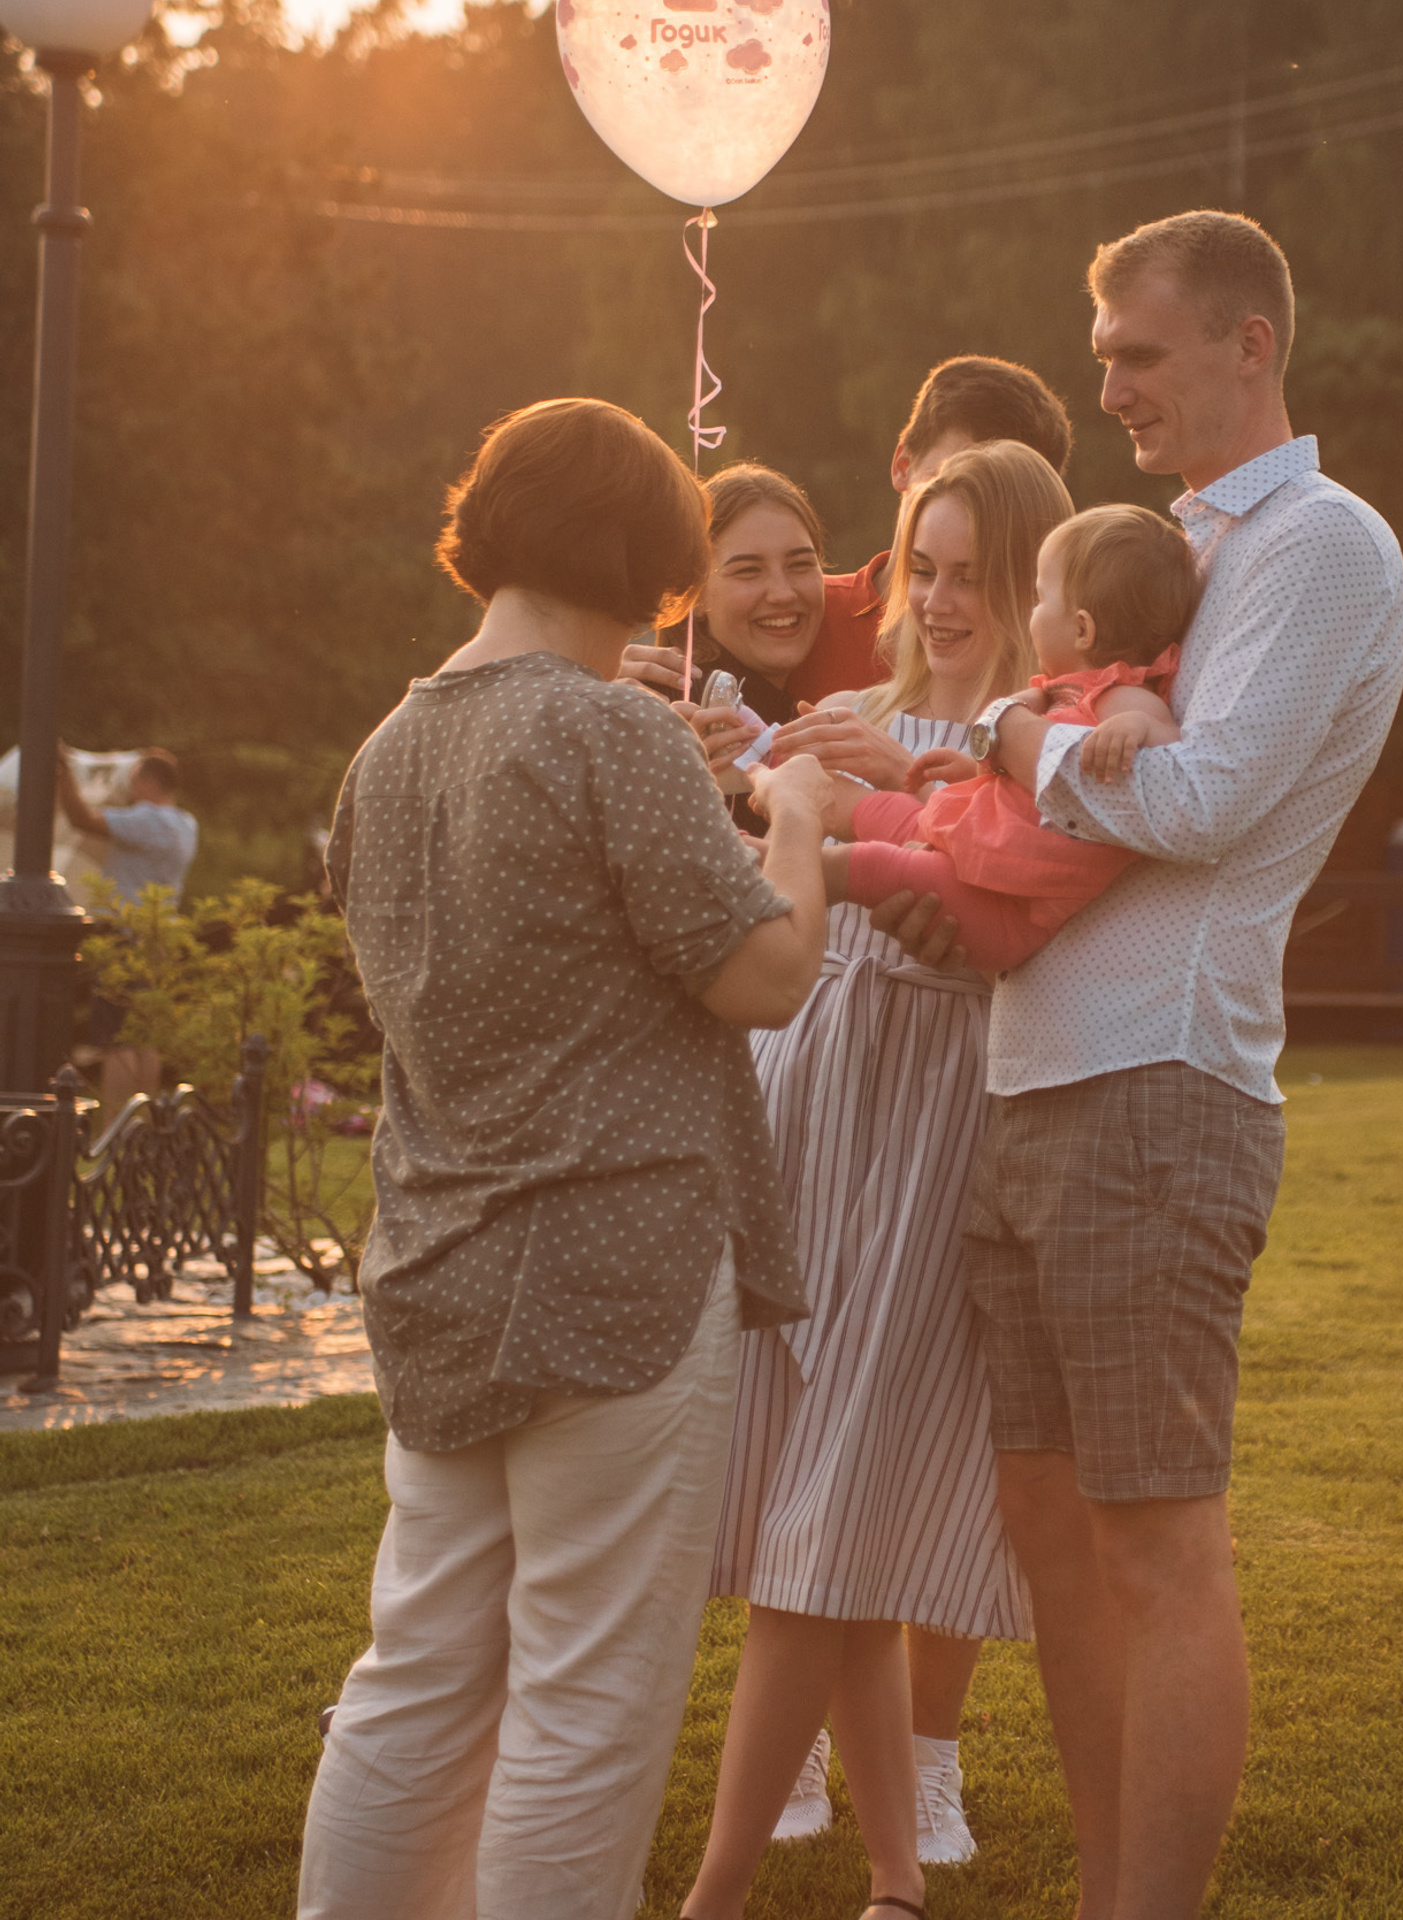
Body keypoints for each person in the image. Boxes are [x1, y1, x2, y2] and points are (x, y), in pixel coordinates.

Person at [298, 398, 836, 1920]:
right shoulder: (603, 729)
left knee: (416, 1672)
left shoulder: (387, 749)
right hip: (619, 1271)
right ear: (640, 558)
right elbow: (767, 974)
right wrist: (791, 810)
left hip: (437, 1269)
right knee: (585, 1698)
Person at [949, 213, 1403, 1920]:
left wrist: (1018, 734)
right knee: (1052, 1538)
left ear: (1248, 344)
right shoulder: (1157, 545)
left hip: (1162, 1085)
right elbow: (1099, 773)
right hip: (1030, 1079)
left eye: (1139, 356)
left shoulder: (1320, 548)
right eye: (1103, 358)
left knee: (1152, 1542)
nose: (1110, 387)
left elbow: (1204, 800)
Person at [677, 440, 1075, 1920]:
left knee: (833, 1520)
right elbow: (754, 883)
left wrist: (884, 805)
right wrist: (746, 783)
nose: (947, 599)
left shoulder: (1046, 748)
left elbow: (1002, 920)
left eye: (976, 574)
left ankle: (713, 1897)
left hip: (931, 1128)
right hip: (811, 1111)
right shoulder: (848, 717)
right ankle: (899, 1882)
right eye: (926, 567)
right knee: (812, 1502)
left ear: (1033, 582)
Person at [834, 504, 1198, 973]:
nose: (1032, 613)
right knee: (899, 817)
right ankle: (800, 819)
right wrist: (976, 769)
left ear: (1083, 628)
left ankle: (802, 867)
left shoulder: (1122, 694)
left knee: (884, 869)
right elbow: (1024, 772)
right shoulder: (1054, 693)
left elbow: (1166, 739)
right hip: (983, 855)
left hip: (1011, 906)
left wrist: (1135, 728)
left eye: (1040, 600)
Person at [620, 353, 1072, 717]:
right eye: (951, 477)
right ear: (902, 465)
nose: (973, 515)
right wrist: (596, 677)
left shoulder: (1063, 664)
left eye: (1007, 499)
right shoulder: (804, 612)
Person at [674, 463, 830, 830]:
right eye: (748, 571)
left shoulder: (816, 708)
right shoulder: (680, 724)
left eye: (800, 564)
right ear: (694, 595)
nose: (782, 593)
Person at [57, 745, 198, 1113]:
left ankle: (116, 1129)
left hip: (124, 936)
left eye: (133, 779)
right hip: (159, 937)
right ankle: (142, 1127)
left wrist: (64, 776)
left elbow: (82, 819)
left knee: (115, 1040)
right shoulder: (186, 826)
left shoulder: (145, 820)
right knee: (145, 1038)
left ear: (148, 781)